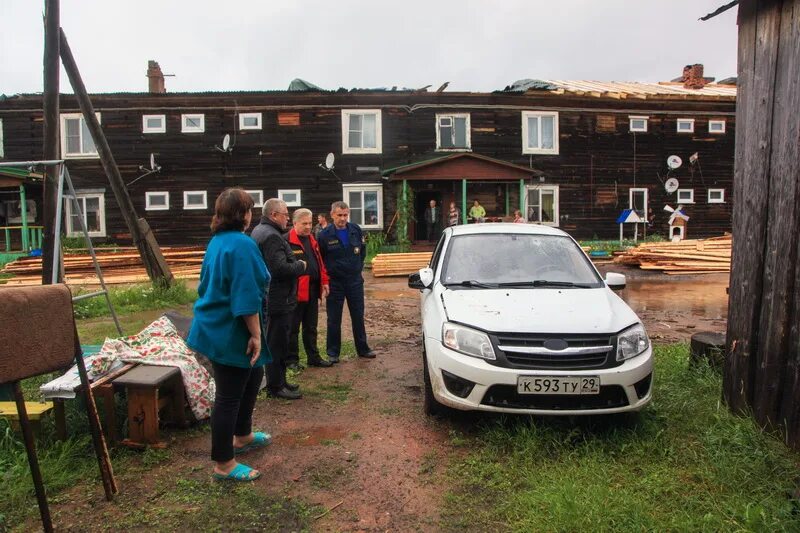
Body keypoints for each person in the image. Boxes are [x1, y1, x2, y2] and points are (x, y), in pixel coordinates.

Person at [187, 188, 271, 482]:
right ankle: (224, 463)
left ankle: (243, 435)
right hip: (228, 328)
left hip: (218, 323)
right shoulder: (241, 245)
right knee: (228, 395)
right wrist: (256, 335)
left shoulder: (218, 241)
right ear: (243, 214)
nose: (250, 214)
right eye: (249, 209)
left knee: (253, 377)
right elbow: (246, 295)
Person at [251, 198, 307, 400]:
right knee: (277, 343)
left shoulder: (260, 230)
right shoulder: (271, 236)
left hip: (272, 298)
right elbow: (279, 269)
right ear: (273, 215)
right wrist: (300, 266)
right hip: (278, 299)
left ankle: (281, 381)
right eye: (285, 214)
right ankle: (276, 386)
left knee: (278, 341)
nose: (287, 218)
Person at [317, 201, 375, 362]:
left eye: (345, 215)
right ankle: (333, 352)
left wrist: (357, 267)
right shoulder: (324, 235)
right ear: (332, 215)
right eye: (339, 215)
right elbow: (320, 258)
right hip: (335, 282)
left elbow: (362, 252)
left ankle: (363, 349)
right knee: (334, 319)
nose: (342, 218)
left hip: (354, 281)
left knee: (358, 315)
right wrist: (325, 279)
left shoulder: (355, 230)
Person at [287, 208, 333, 369]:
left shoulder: (312, 239)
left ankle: (313, 357)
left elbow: (320, 263)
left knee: (311, 326)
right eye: (304, 223)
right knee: (293, 328)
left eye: (310, 223)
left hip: (313, 290)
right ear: (294, 223)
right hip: (295, 292)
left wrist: (325, 281)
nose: (308, 227)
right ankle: (292, 360)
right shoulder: (287, 240)